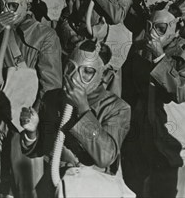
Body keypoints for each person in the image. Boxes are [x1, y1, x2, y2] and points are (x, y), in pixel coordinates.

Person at [0, 0, 62, 197]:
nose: (6, 11)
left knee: (26, 188)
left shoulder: (45, 36)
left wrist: (32, 125)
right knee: (3, 184)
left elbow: (51, 88)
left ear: (28, 5)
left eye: (13, 5)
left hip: (24, 125)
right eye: (3, 5)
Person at [20, 40, 131, 197]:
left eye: (87, 71)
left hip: (92, 188)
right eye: (71, 67)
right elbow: (38, 150)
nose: (74, 77)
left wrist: (84, 109)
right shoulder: (52, 98)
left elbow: (106, 158)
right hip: (56, 185)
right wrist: (32, 132)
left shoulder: (116, 108)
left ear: (102, 75)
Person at [124, 6, 185, 198]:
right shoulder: (140, 49)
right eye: (150, 26)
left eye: (160, 28)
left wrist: (160, 57)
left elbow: (183, 91)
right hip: (143, 127)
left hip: (172, 130)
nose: (152, 33)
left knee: (171, 187)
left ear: (176, 30)